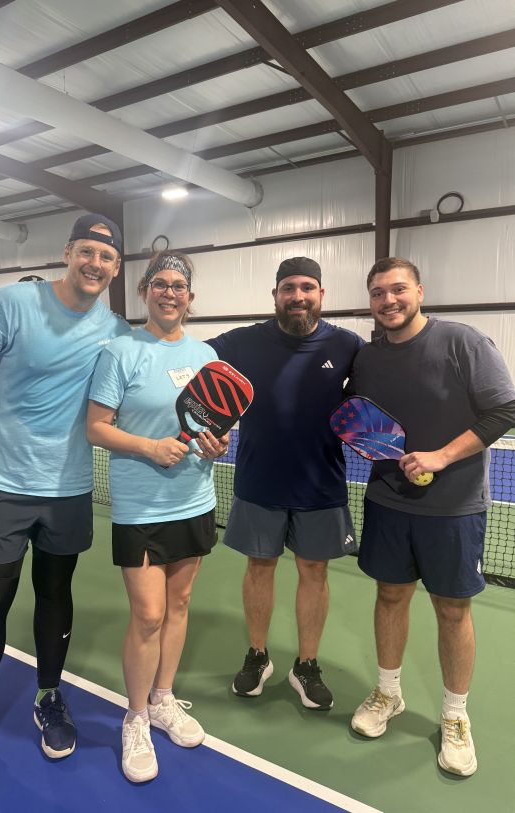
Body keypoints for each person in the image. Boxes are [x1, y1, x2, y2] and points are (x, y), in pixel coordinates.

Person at [0, 213, 130, 805]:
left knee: (55, 594)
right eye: (87, 251)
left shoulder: (115, 330)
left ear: (116, 268)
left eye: (107, 256)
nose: (95, 263)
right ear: (68, 253)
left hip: (68, 490)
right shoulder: (13, 303)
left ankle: (49, 696)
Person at [348, 256, 515, 776]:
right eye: (378, 293)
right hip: (388, 501)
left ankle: (455, 715)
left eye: (398, 289)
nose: (389, 300)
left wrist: (441, 456)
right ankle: (388, 692)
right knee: (390, 596)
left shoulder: (463, 342)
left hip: (455, 508)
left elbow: (506, 409)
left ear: (419, 291)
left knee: (452, 611)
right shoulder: (368, 358)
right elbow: (356, 414)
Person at [87, 251, 227, 783]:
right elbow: (96, 427)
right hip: (141, 506)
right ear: (145, 291)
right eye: (161, 284)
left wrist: (217, 445)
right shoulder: (120, 351)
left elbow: (215, 424)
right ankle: (137, 716)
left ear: (190, 298)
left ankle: (163, 698)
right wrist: (149, 447)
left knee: (180, 604)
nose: (170, 293)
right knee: (148, 614)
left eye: (179, 286)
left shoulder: (206, 354)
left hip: (195, 500)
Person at [206, 257, 364, 709]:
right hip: (260, 480)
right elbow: (186, 360)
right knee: (260, 568)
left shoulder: (347, 344)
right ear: (275, 294)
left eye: (307, 287)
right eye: (289, 288)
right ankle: (257, 656)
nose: (298, 296)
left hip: (321, 483)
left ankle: (306, 664)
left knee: (315, 572)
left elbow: (374, 393)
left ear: (321, 295)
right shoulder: (241, 341)